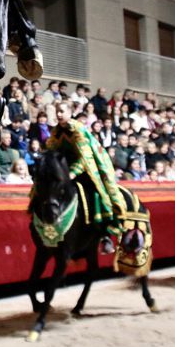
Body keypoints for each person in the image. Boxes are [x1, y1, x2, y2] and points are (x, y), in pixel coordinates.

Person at [47, 101, 127, 250]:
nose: (58, 114)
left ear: (70, 113)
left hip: (86, 168)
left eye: (62, 111)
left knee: (96, 192)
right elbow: (52, 152)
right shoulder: (55, 133)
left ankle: (105, 233)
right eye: (57, 111)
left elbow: (85, 158)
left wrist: (72, 173)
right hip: (65, 171)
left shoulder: (78, 130)